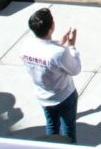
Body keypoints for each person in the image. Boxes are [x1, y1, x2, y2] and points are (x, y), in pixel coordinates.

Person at [19, 8, 82, 143]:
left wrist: (60, 43)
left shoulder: (25, 46)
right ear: (51, 27)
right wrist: (71, 46)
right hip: (64, 96)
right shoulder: (58, 53)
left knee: (51, 126)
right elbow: (75, 69)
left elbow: (44, 52)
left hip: (43, 96)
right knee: (68, 130)